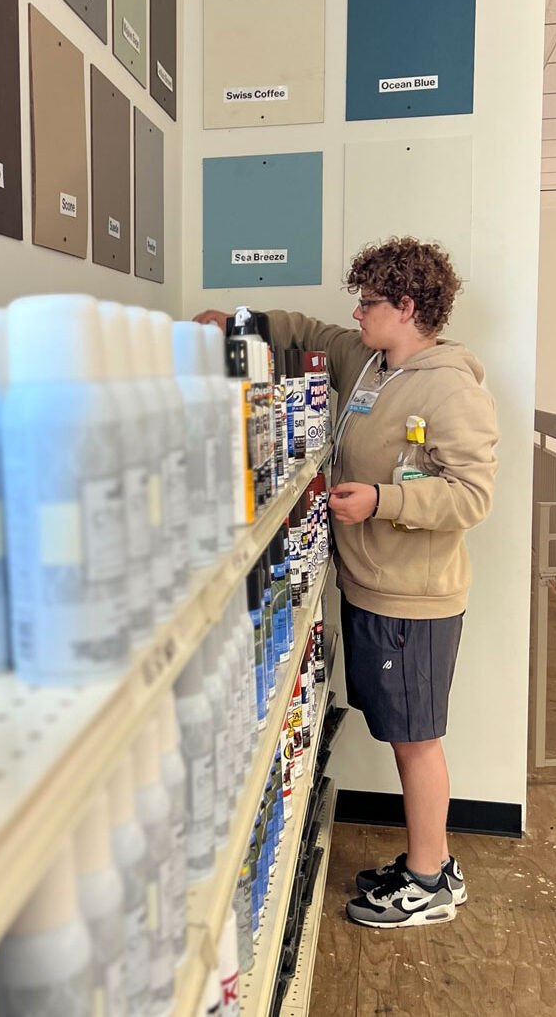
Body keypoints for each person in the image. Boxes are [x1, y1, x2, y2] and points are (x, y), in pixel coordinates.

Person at [195, 236, 498, 929]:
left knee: (414, 736)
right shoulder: (366, 361)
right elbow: (303, 331)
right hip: (367, 585)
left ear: (407, 306)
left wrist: (382, 501)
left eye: (367, 302)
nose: (355, 314)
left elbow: (469, 497)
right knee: (399, 727)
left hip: (412, 599)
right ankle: (427, 859)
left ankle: (429, 880)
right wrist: (231, 319)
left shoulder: (451, 385)